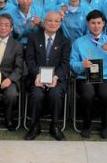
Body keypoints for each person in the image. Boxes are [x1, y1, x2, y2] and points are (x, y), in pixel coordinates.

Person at [70, 10, 107, 139]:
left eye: (99, 23)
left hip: (105, 76)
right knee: (88, 95)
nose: (96, 26)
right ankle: (86, 125)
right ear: (88, 24)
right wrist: (82, 65)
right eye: (93, 23)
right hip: (85, 76)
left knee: (105, 95)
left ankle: (105, 125)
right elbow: (72, 63)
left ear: (104, 23)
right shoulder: (79, 42)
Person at [24, 11, 71, 141]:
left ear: (60, 24)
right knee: (37, 95)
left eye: (56, 21)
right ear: (44, 23)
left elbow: (65, 63)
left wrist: (56, 77)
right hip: (36, 77)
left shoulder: (65, 41)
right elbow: (29, 60)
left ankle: (55, 126)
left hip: (56, 79)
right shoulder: (33, 38)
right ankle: (34, 126)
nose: (53, 23)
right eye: (50, 20)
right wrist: (37, 75)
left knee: (55, 94)